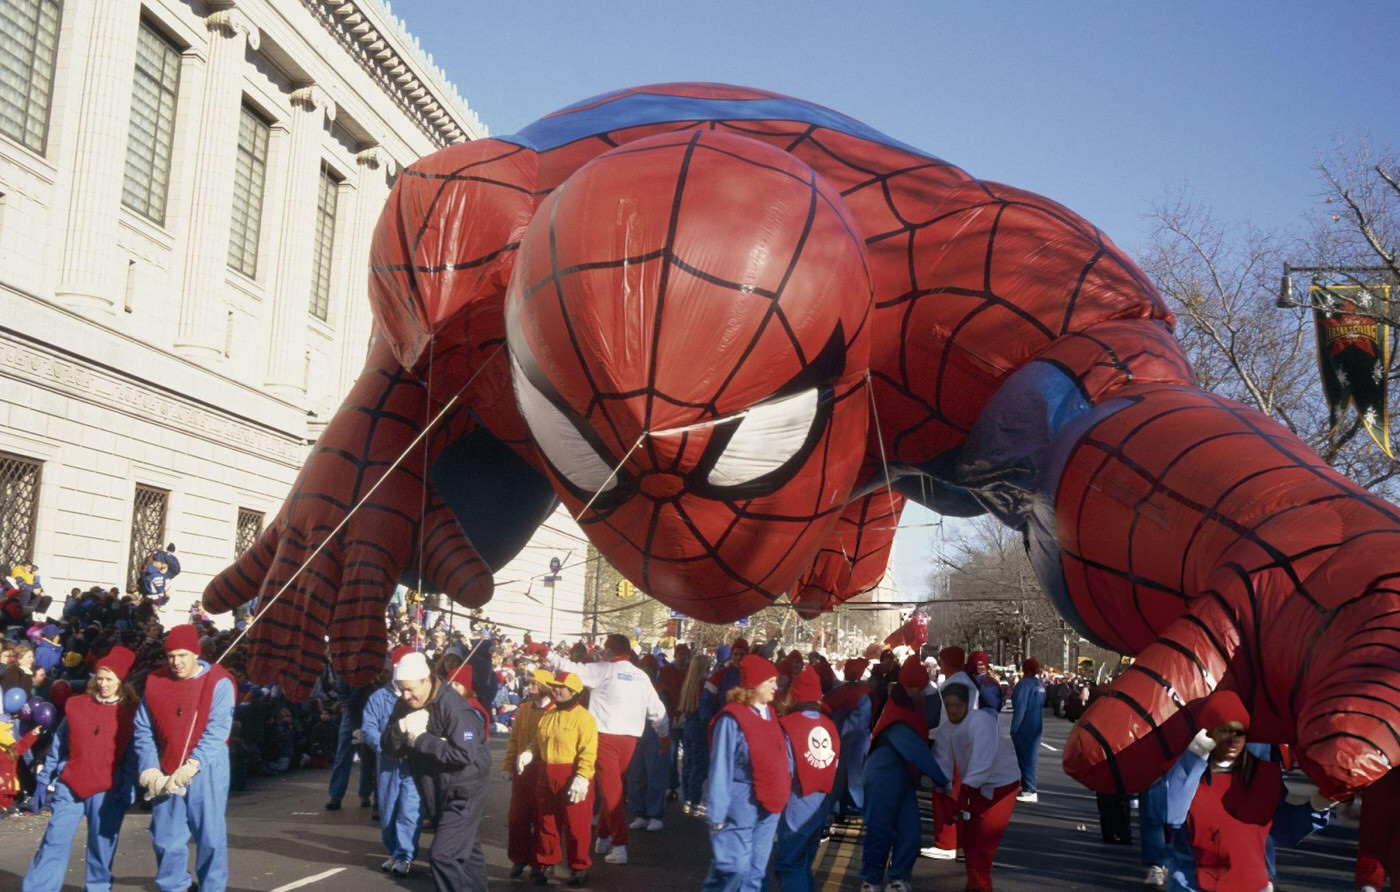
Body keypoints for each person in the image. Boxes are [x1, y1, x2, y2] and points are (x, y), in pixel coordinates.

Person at [1165, 691, 1332, 892]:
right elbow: (1170, 817)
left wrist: (1319, 805)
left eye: (1239, 732)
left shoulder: (1263, 774)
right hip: (1192, 882)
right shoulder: (1186, 770)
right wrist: (1193, 758)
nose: (1233, 739)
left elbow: (1281, 831)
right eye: (1224, 730)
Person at [22, 646, 137, 892]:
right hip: (70, 783)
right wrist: (45, 778)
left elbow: (132, 753)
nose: (103, 684)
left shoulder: (130, 712)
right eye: (100, 678)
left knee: (101, 846)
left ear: (121, 681)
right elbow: (60, 743)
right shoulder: (76, 704)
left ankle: (97, 888)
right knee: (54, 840)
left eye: (109, 679)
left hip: (107, 787)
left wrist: (128, 784)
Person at [550, 631, 670, 865]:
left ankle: (620, 845)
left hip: (604, 737)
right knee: (611, 789)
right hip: (630, 740)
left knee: (611, 792)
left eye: (605, 649)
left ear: (611, 650)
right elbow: (657, 710)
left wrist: (546, 654)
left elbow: (571, 669)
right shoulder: (640, 676)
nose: (602, 652)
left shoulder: (604, 669)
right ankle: (604, 836)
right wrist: (664, 735)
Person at [132, 624, 235, 892]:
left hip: (207, 768)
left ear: (195, 654)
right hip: (167, 767)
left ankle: (212, 887)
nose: (176, 662)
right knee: (166, 838)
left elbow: (218, 730)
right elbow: (143, 728)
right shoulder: (155, 682)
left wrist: (194, 764)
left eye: (182, 656)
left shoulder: (219, 682)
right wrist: (150, 768)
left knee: (210, 836)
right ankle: (174, 887)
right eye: (171, 656)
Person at [381, 650, 491, 892]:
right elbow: (389, 747)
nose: (405, 695)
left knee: (444, 856)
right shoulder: (404, 705)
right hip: (434, 788)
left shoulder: (455, 708)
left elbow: (465, 753)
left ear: (426, 680)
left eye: (410, 689)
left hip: (464, 791)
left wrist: (421, 739)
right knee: (468, 853)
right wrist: (400, 729)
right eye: (400, 689)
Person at [860, 656, 949, 892]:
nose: (921, 693)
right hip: (883, 779)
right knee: (880, 831)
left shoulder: (904, 705)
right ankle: (872, 879)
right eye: (917, 688)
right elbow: (915, 749)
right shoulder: (898, 714)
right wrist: (942, 780)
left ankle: (899, 877)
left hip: (902, 779)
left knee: (910, 832)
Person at [702, 654, 791, 892]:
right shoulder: (732, 718)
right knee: (731, 869)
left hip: (769, 805)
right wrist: (717, 813)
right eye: (770, 681)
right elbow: (721, 766)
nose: (776, 686)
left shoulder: (770, 713)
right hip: (740, 802)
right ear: (754, 685)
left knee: (755, 872)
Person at [931, 682, 1021, 892]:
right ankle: (974, 884)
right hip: (975, 788)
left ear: (967, 704)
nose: (952, 710)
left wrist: (966, 787)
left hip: (1001, 786)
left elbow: (983, 756)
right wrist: (945, 787)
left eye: (957, 705)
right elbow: (943, 760)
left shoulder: (981, 721)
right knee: (970, 841)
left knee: (983, 843)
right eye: (949, 705)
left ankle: (981, 886)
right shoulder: (947, 730)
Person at [525, 670, 597, 887]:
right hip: (546, 774)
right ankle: (546, 864)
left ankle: (579, 866)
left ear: (574, 691)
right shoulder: (548, 715)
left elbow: (588, 751)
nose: (556, 689)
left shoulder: (584, 718)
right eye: (554, 686)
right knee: (546, 823)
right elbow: (537, 742)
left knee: (577, 826)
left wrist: (582, 776)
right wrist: (528, 752)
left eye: (561, 687)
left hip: (572, 776)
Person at [773, 667, 841, 892]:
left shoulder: (788, 725)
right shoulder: (830, 725)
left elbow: (783, 771)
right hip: (820, 805)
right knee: (804, 865)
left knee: (790, 864)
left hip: (795, 804)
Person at [361, 645, 421, 877]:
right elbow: (369, 727)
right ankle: (394, 850)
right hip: (387, 762)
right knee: (387, 809)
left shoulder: (417, 698)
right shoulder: (379, 698)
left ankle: (405, 855)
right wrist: (385, 748)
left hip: (411, 763)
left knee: (409, 808)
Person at [501, 668, 554, 879]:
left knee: (542, 818)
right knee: (518, 817)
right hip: (523, 771)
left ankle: (540, 862)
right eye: (529, 683)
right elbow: (514, 740)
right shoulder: (524, 709)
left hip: (544, 770)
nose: (530, 688)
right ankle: (519, 858)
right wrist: (507, 765)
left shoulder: (555, 710)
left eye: (534, 684)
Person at [822, 657, 872, 819]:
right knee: (856, 775)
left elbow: (825, 708)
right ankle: (857, 807)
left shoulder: (837, 691)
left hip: (840, 737)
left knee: (839, 776)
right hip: (859, 739)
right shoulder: (867, 691)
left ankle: (836, 807)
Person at [626, 654, 670, 832]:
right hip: (635, 734)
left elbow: (665, 715)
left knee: (655, 776)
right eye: (642, 666)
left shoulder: (660, 689)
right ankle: (639, 813)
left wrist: (665, 736)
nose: (645, 670)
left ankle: (655, 814)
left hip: (654, 735)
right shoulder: (631, 689)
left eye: (648, 667)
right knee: (636, 775)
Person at [676, 652, 713, 817]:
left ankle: (688, 799)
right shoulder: (704, 684)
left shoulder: (687, 684)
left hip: (688, 725)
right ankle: (696, 801)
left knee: (688, 763)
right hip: (699, 726)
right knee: (700, 765)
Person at [1010, 658, 1045, 803]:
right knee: (1031, 757)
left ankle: (1029, 789)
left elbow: (1020, 707)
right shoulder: (1040, 684)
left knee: (1025, 758)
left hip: (1025, 725)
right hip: (1036, 724)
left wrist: (1014, 728)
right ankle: (1028, 786)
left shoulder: (1024, 685)